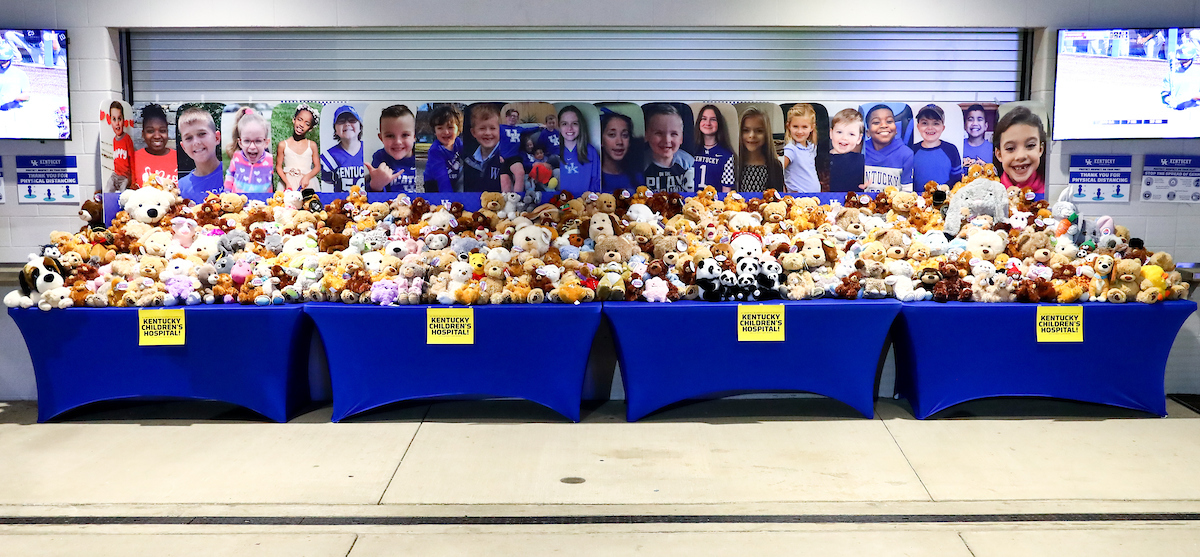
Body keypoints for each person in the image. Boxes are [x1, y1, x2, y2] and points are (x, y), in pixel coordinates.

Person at [366, 104, 419, 193]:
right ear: (381, 138)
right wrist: (376, 185)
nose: (398, 142)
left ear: (414, 136)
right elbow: (371, 197)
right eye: (390, 136)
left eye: (405, 135)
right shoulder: (380, 158)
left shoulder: (426, 159)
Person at [993, 106, 1046, 194]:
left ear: (1040, 149)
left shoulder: (1054, 193)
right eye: (1010, 148)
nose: (1020, 156)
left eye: (1030, 145)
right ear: (999, 154)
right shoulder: (990, 194)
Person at [643, 103, 694, 193]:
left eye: (674, 134)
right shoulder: (640, 165)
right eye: (659, 133)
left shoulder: (688, 163)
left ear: (681, 138)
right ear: (647, 135)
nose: (667, 140)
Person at [910, 104, 963, 191]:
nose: (930, 128)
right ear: (918, 127)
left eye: (936, 123)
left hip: (945, 202)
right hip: (917, 202)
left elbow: (957, 181)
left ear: (943, 127)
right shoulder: (911, 151)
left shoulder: (951, 150)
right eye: (925, 123)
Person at [863, 104, 913, 192]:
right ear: (868, 132)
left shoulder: (906, 154)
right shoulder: (861, 151)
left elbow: (907, 191)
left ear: (896, 129)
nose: (884, 125)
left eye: (889, 121)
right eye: (876, 122)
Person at [176, 107, 223, 199]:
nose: (196, 142)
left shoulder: (236, 175)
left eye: (202, 134)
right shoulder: (181, 188)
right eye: (189, 138)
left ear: (217, 138)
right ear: (183, 147)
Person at [224, 107, 274, 193]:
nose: (252, 147)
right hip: (239, 203)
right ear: (240, 142)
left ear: (266, 142)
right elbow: (230, 176)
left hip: (263, 204)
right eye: (247, 141)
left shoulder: (271, 160)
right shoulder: (237, 157)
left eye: (258, 141)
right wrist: (227, 193)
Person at [555, 105, 601, 196]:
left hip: (583, 205)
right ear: (559, 127)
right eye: (564, 124)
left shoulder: (591, 152)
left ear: (580, 126)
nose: (570, 128)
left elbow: (597, 183)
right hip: (559, 205)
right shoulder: (553, 152)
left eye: (574, 123)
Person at [736, 107, 783, 192]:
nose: (752, 135)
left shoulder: (775, 166)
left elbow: (777, 200)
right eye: (746, 130)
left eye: (759, 131)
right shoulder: (734, 165)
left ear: (766, 134)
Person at [274, 103, 320, 192]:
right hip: (288, 183)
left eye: (307, 123)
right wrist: (286, 183)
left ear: (310, 128)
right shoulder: (283, 145)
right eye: (299, 120)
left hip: (307, 183)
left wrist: (307, 177)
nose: (301, 125)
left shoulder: (312, 145)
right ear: (294, 120)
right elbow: (278, 167)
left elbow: (317, 167)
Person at [691, 104, 736, 192]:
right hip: (690, 202)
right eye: (704, 119)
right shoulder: (689, 151)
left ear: (719, 124)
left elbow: (726, 191)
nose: (708, 123)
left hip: (713, 203)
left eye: (713, 119)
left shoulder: (727, 155)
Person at [320, 105, 365, 192]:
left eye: (352, 120)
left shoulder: (369, 151)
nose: (347, 124)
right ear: (335, 130)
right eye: (341, 121)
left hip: (367, 203)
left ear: (360, 127)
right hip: (342, 203)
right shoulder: (329, 157)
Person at [460, 103, 503, 192]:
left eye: (492, 128)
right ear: (473, 132)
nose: (487, 133)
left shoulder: (505, 157)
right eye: (482, 128)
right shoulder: (468, 160)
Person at [133, 104, 177, 189]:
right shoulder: (134, 159)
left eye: (162, 131)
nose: (157, 136)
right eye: (150, 131)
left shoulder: (179, 158)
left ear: (167, 132)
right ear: (143, 134)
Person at [422, 104, 462, 193]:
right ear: (435, 132)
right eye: (440, 128)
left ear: (458, 129)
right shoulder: (435, 151)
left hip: (453, 180)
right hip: (434, 183)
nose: (446, 132)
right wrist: (449, 199)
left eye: (450, 127)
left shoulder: (458, 144)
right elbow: (441, 177)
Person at [600, 110, 643, 193]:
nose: (619, 142)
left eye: (625, 135)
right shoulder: (593, 179)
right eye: (612, 135)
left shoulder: (638, 178)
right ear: (601, 140)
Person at [781, 103, 819, 193]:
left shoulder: (811, 146)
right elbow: (777, 172)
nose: (799, 131)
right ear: (789, 126)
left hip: (814, 196)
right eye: (795, 126)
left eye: (804, 127)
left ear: (812, 127)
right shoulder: (791, 149)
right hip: (798, 198)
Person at [828, 109, 866, 193]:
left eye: (851, 134)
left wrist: (867, 186)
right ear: (831, 133)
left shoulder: (862, 161)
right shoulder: (822, 160)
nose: (844, 137)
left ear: (859, 138)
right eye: (839, 132)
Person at [0, 42, 32, 138]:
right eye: (1, 61)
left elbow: (26, 95)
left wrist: (10, 97)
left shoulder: (20, 74)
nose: (3, 64)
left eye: (6, 61)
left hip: (14, 113)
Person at [102, 101, 134, 192]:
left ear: (123, 120)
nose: (117, 123)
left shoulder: (127, 139)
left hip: (125, 177)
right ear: (110, 121)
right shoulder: (114, 140)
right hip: (115, 175)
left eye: (119, 119)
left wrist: (133, 181)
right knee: (107, 190)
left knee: (123, 195)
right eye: (114, 119)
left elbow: (132, 160)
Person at [1162, 43, 1200, 111]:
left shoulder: (1198, 72)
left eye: (1186, 60)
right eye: (1182, 59)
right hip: (1175, 110)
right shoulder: (1172, 74)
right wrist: (1168, 100)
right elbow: (1164, 93)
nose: (1184, 62)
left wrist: (1192, 98)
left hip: (1195, 110)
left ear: (1192, 58)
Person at [498, 107, 527, 193]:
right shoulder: (500, 128)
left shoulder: (519, 129)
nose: (513, 118)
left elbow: (530, 128)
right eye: (511, 116)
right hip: (502, 159)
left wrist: (540, 126)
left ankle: (518, 198)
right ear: (506, 117)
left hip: (514, 157)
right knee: (505, 185)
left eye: (515, 116)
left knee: (520, 173)